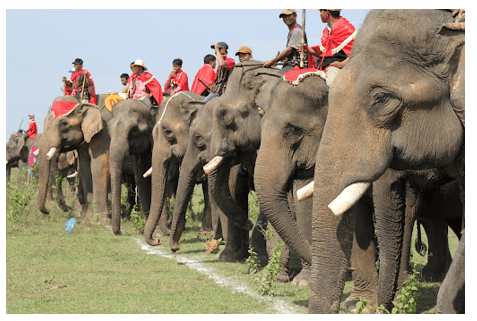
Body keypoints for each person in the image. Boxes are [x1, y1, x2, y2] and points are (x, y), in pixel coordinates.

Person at [298, 9, 356, 83]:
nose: (320, 14)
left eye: (320, 11)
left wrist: (342, 63)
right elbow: (323, 52)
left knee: (331, 83)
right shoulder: (327, 30)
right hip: (321, 67)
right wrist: (308, 49)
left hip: (334, 68)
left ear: (327, 13)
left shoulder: (346, 28)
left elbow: (356, 53)